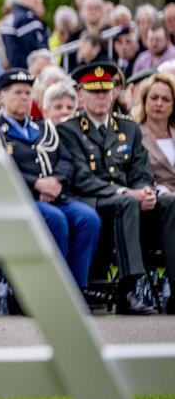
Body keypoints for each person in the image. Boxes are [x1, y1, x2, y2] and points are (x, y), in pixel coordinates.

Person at [57, 62, 170, 314]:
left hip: (127, 201)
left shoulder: (128, 128)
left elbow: (141, 171)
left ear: (113, 94)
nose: (101, 97)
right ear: (81, 95)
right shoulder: (69, 130)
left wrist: (146, 191)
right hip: (91, 200)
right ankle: (128, 291)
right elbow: (82, 179)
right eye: (94, 91)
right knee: (127, 202)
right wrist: (126, 192)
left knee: (168, 203)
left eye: (105, 91)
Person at [0, 70, 102, 301]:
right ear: (1, 97)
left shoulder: (44, 128)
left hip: (56, 195)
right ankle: (52, 291)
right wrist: (37, 184)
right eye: (17, 93)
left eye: (27, 93)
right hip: (23, 199)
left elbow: (66, 160)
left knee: (88, 218)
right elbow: (1, 169)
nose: (24, 97)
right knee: (55, 220)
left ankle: (76, 289)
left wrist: (56, 182)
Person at [134, 72, 175, 196]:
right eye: (154, 98)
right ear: (144, 100)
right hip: (157, 197)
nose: (159, 103)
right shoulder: (134, 133)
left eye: (166, 99)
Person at [1, 0, 48, 69]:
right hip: (29, 71)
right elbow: (38, 50)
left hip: (16, 70)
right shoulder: (26, 18)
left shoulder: (11, 16)